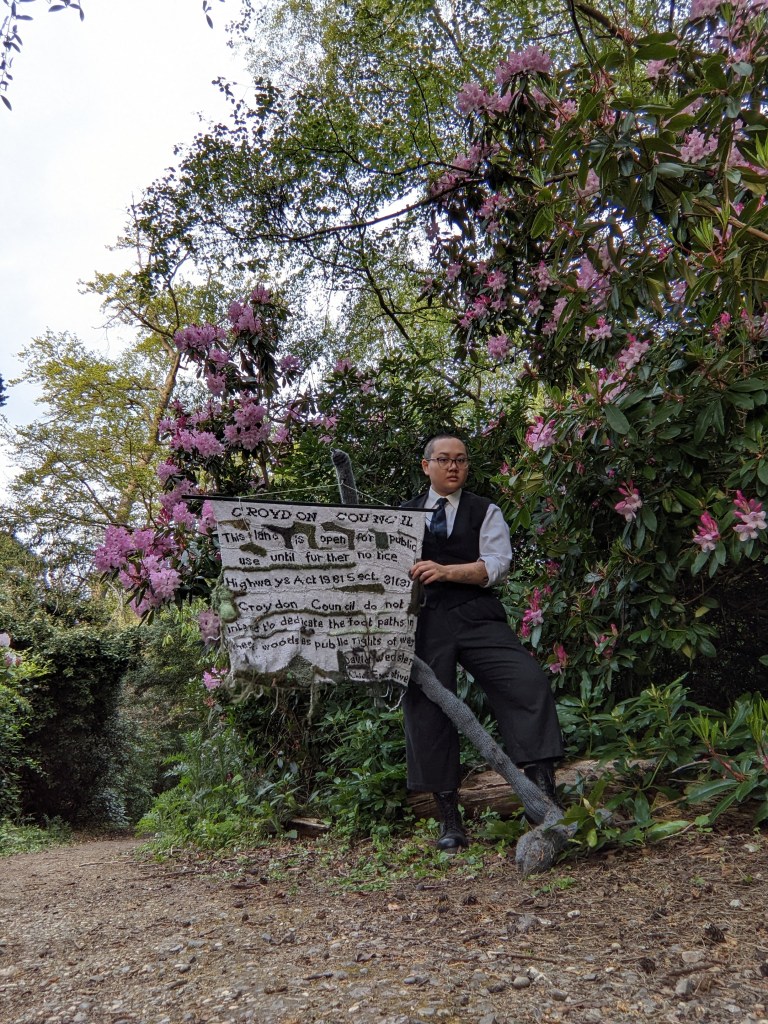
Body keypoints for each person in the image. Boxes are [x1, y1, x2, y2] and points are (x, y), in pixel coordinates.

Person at [402, 433, 564, 850]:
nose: (453, 466)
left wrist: (447, 571)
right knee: (428, 712)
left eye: (461, 460)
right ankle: (449, 820)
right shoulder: (400, 516)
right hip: (422, 623)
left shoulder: (484, 510)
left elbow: (497, 564)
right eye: (444, 459)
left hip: (476, 615)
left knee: (526, 682)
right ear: (426, 466)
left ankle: (542, 798)